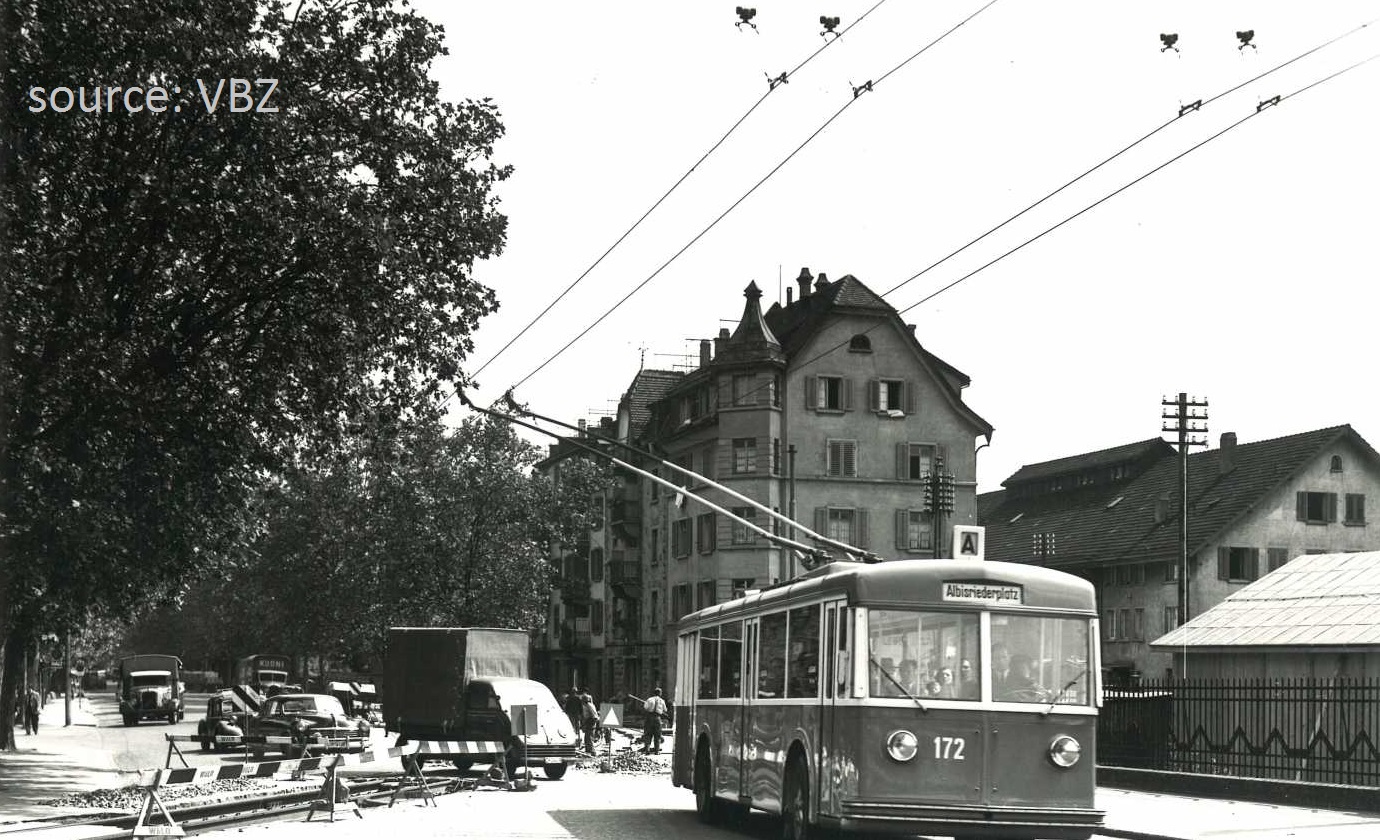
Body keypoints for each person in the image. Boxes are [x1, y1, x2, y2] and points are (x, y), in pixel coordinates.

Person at [642, 687, 668, 753]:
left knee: (648, 734)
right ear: (660, 694)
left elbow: (645, 707)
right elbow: (665, 710)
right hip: (657, 718)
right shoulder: (662, 701)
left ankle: (647, 750)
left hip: (649, 718)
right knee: (657, 735)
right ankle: (657, 751)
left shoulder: (649, 699)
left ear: (654, 693)